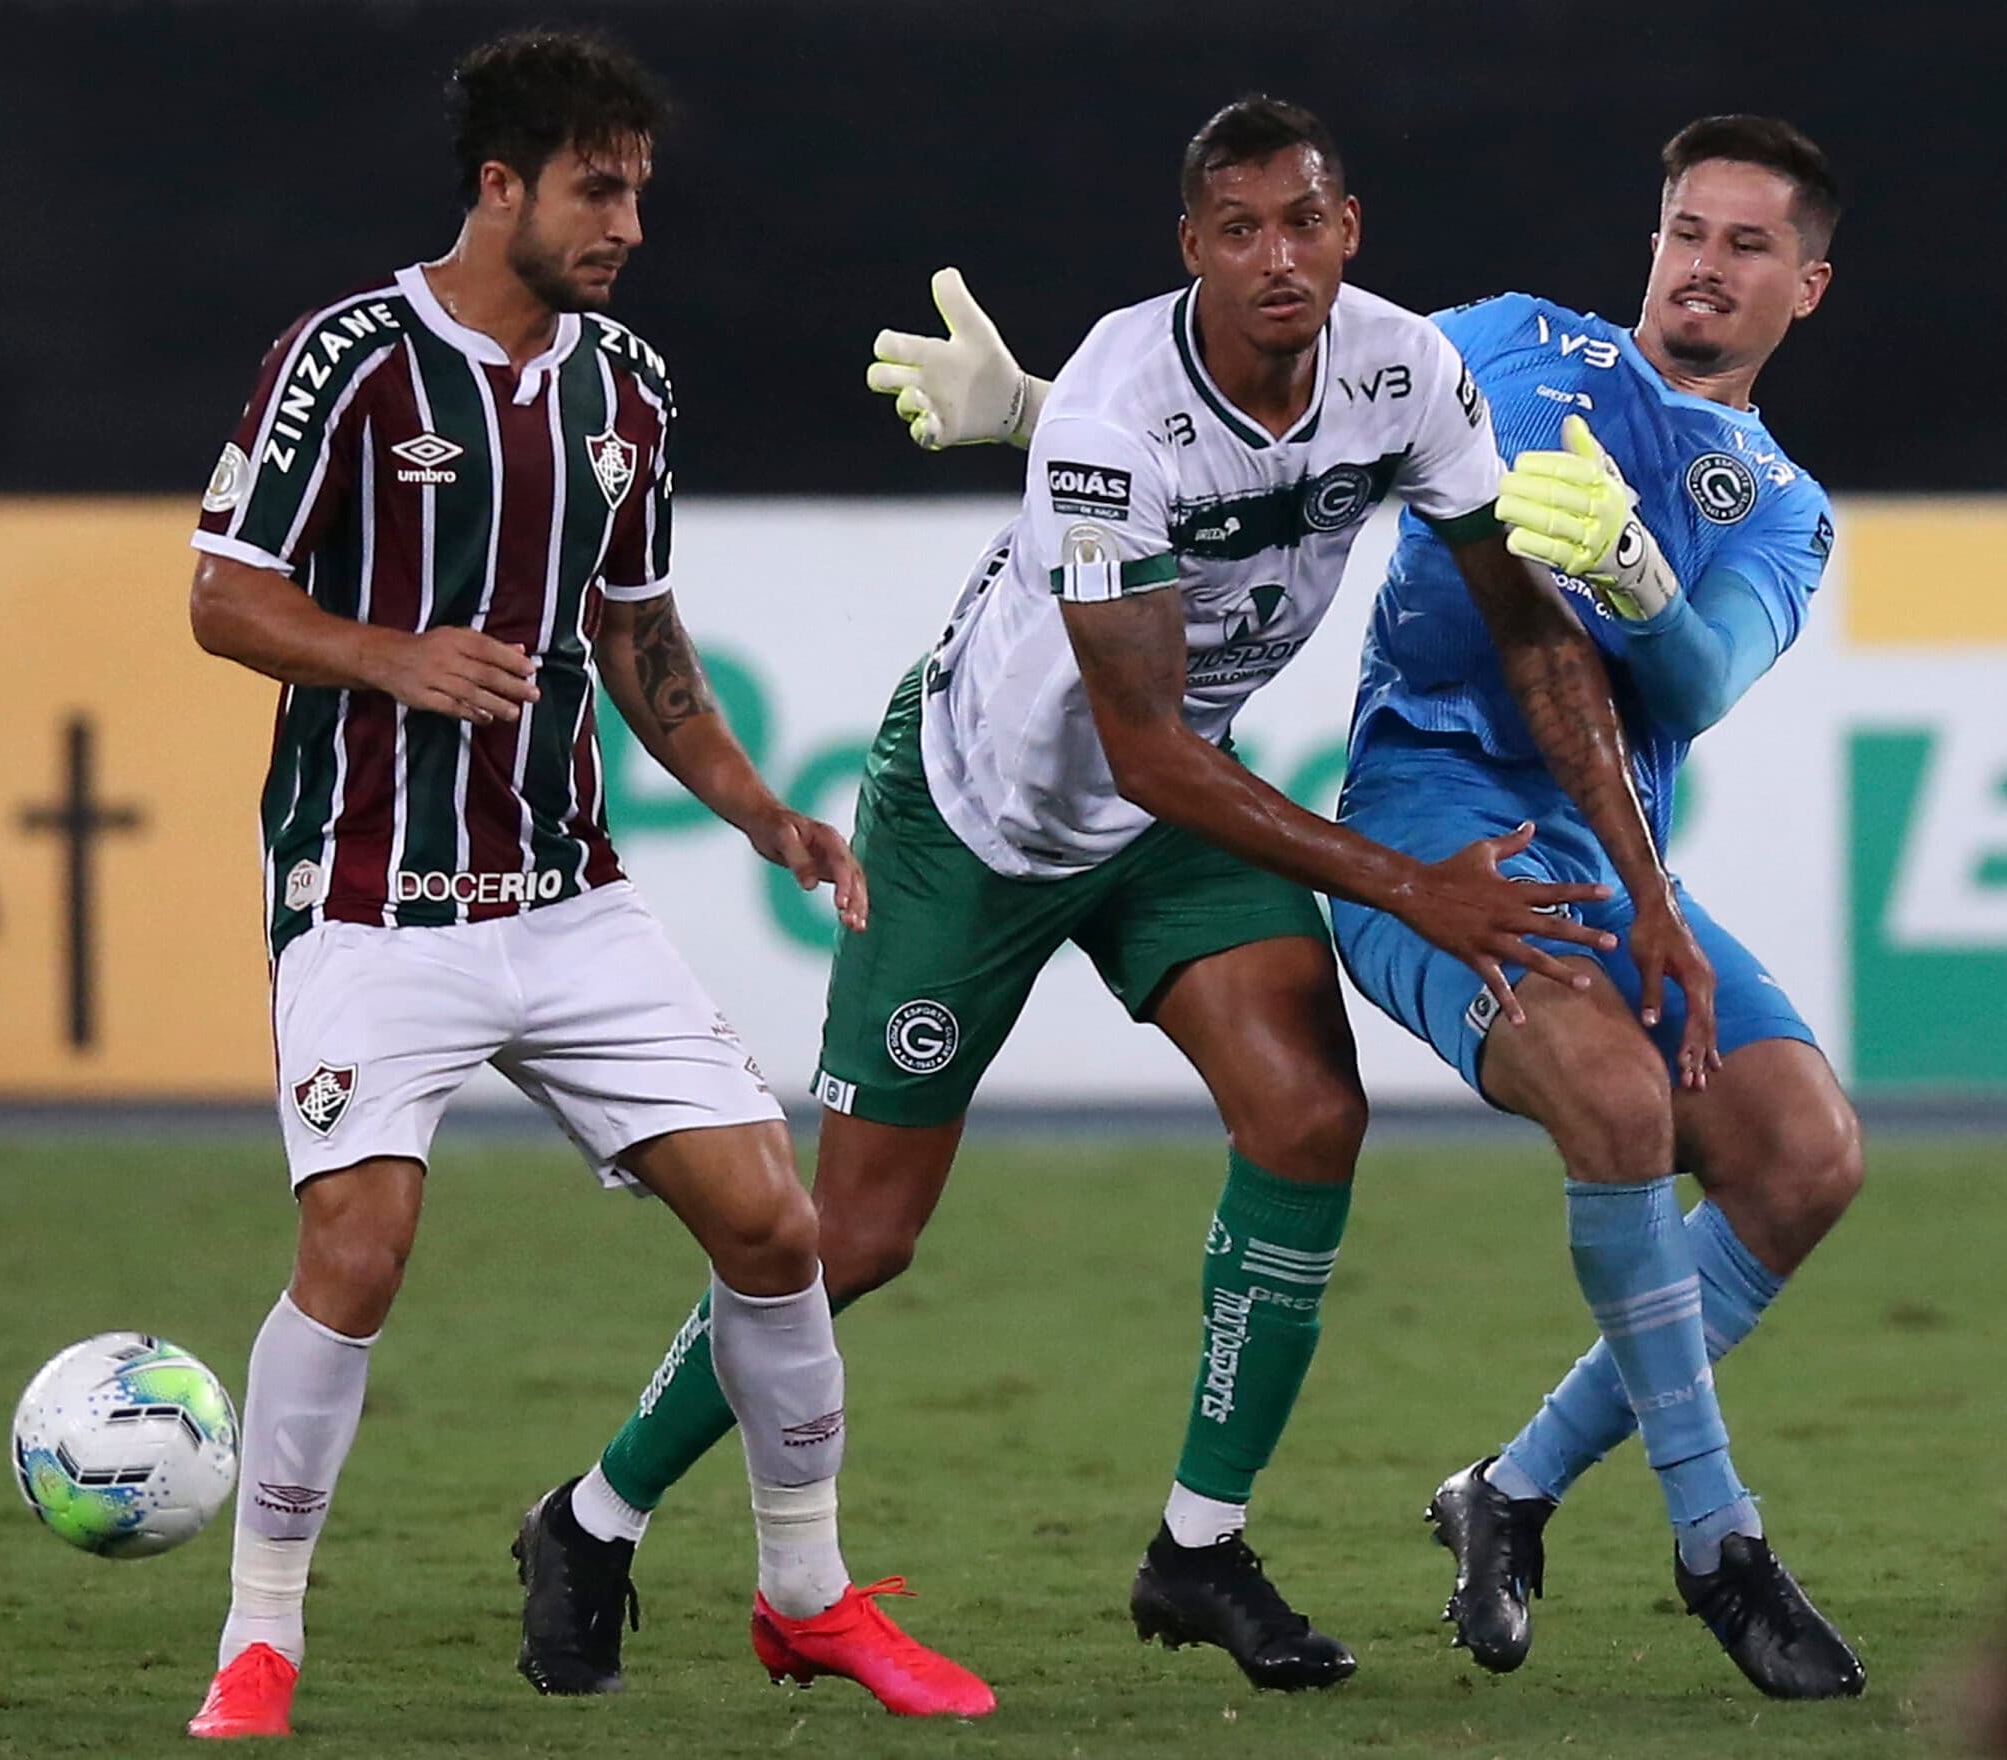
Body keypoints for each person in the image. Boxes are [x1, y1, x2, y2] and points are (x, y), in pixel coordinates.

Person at [517, 96, 1704, 1697]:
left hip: (1176, 817)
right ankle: (592, 1517)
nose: (1278, 258)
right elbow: (1138, 748)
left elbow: (1535, 632)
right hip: (978, 820)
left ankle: (1199, 1549)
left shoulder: (1406, 371)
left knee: (1308, 1118)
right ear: (1191, 248)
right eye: (1241, 230)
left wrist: (1646, 885)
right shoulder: (1111, 411)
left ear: (1349, 231)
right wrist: (1411, 886)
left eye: (1306, 222)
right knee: (853, 1238)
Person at [860, 113, 1865, 1701]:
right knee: (1616, 1103)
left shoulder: (1787, 508)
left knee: (1808, 1155)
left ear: (1806, 287)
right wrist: (1036, 414)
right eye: (1687, 230)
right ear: (1654, 239)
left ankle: (1510, 1492)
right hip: (1429, 820)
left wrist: (1638, 577)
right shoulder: (1507, 344)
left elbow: (1699, 680)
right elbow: (1270, 427)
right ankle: (1717, 1545)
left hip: (1609, 855)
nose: (1705, 267)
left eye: (1749, 247)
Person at [179, 28, 992, 1737]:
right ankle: (260, 1637)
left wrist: (763, 812)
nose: (627, 223)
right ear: (501, 187)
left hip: (568, 898)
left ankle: (806, 1597)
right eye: (595, 189)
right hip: (371, 895)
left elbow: (638, 635)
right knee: (359, 1247)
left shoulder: (627, 383)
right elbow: (223, 595)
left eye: (638, 191)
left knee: (777, 1224)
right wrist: (392, 655)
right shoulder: (347, 361)